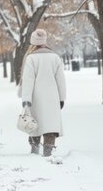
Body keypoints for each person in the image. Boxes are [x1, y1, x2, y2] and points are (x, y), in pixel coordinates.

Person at [20, 28, 67, 157]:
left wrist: (26, 100)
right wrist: (62, 98)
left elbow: (28, 81)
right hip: (52, 96)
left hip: (36, 97)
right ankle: (48, 149)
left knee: (35, 123)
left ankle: (34, 149)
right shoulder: (55, 57)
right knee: (50, 124)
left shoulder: (31, 58)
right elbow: (61, 80)